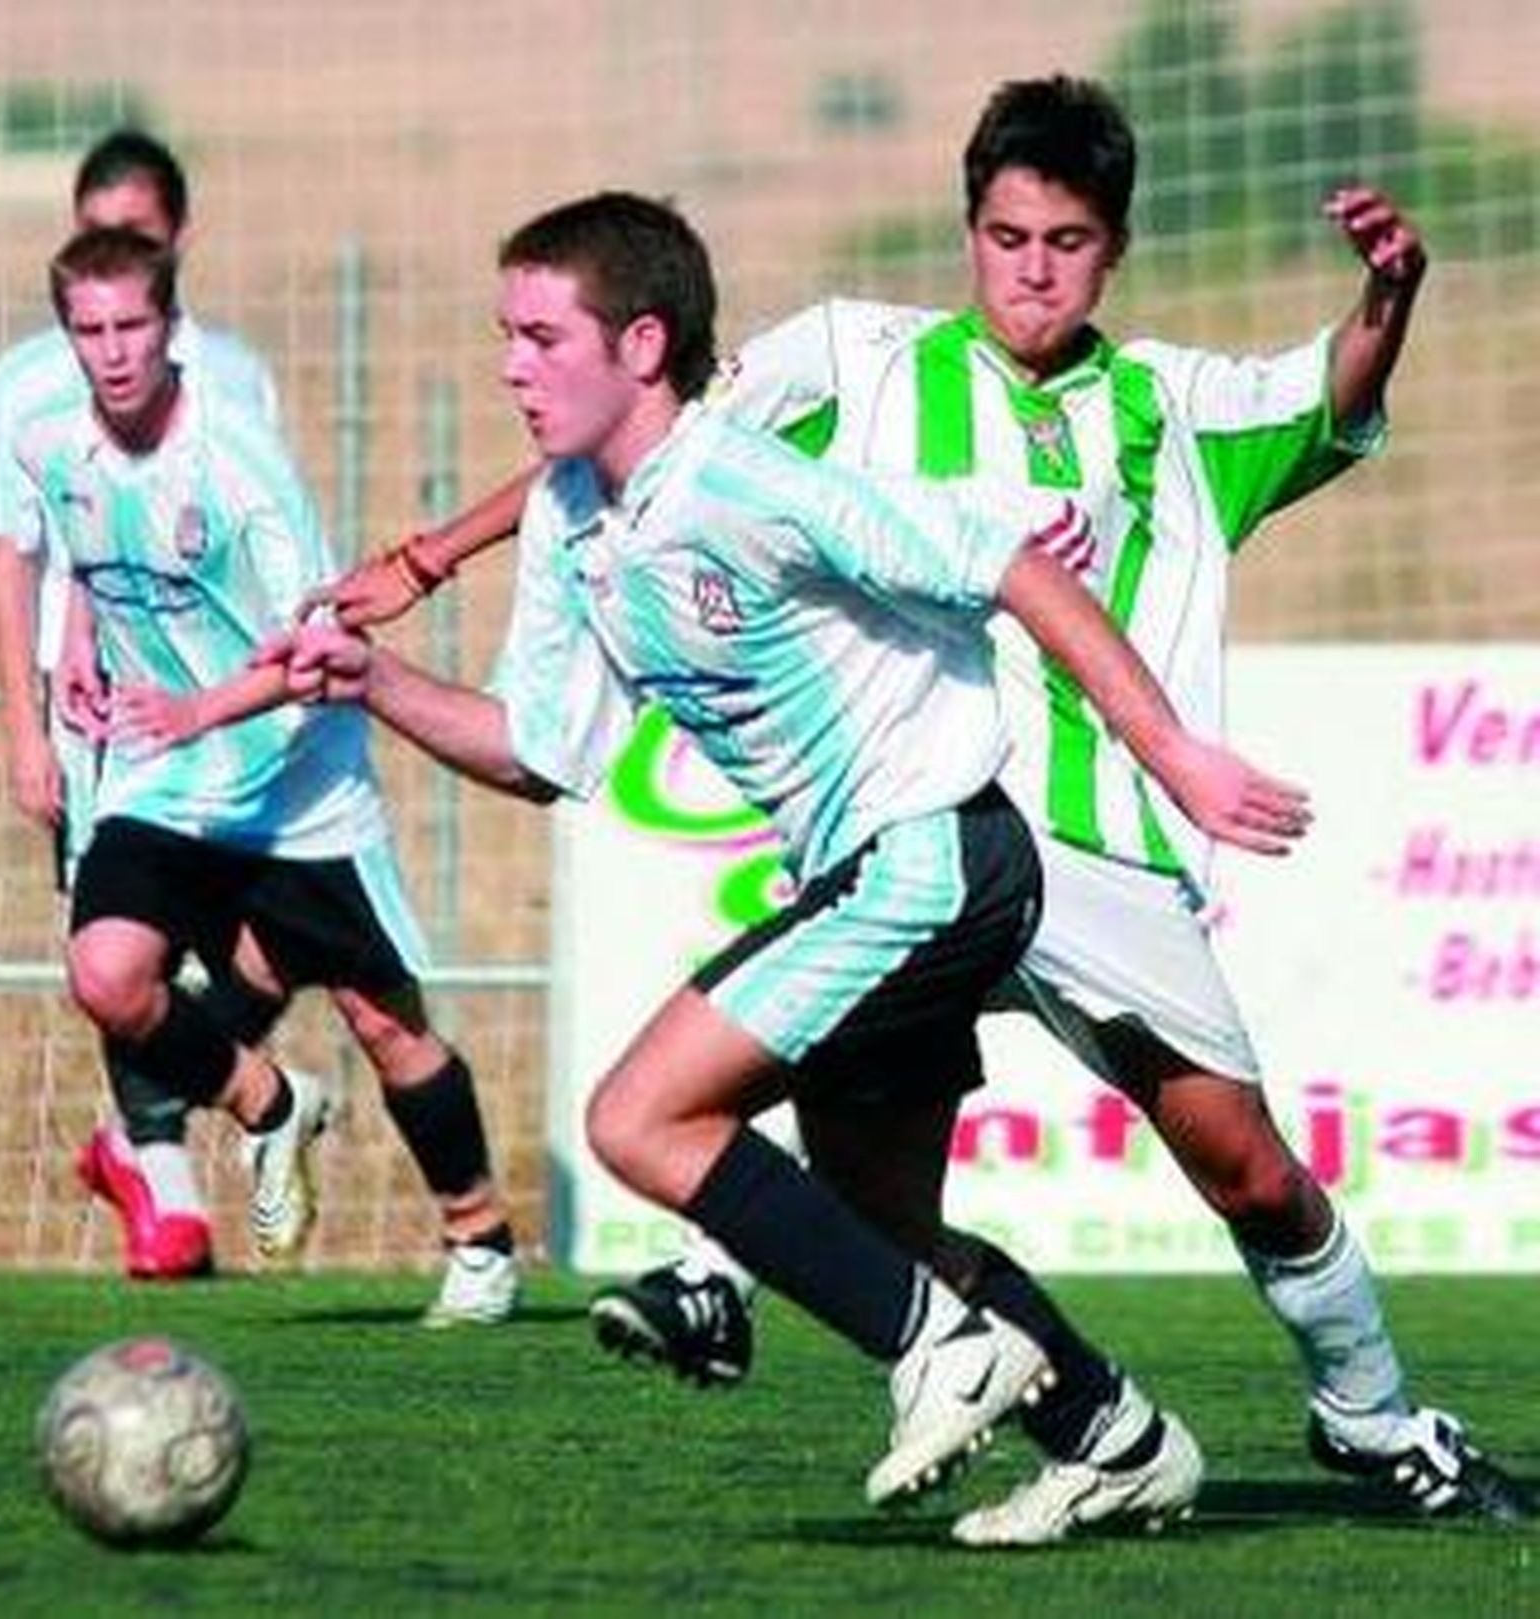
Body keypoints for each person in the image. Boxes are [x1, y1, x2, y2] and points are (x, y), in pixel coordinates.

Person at [309, 81, 1530, 1535]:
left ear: (1112, 249)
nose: (1031, 266)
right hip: (923, 830)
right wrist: (434, 555)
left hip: (1093, 859)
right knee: (853, 1176)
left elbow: (1328, 387)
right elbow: (626, 427)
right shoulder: (855, 361)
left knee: (1248, 1168)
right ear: (968, 232)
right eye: (1006, 234)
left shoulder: (1175, 410)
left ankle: (1373, 1414)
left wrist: (1389, 298)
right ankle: (1014, 1387)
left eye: (1067, 241)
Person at [16, 224, 520, 1327]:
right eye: (88, 331)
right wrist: (87, 648)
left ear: (169, 327)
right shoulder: (51, 445)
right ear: (69, 338)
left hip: (296, 779)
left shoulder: (238, 461)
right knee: (106, 975)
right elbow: (93, 558)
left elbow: (318, 639)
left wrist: (199, 704)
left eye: (131, 327)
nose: (112, 353)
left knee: (386, 1025)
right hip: (170, 776)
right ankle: (271, 1102)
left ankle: (480, 1239)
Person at [0, 128, 282, 1280]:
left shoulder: (233, 376)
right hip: (97, 719)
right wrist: (25, 730)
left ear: (177, 244)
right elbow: (11, 556)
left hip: (216, 704)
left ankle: (132, 1132)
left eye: (137, 241)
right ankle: (165, 1181)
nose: (112, 268)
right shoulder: (25, 383)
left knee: (264, 949)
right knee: (117, 951)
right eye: (91, 238)